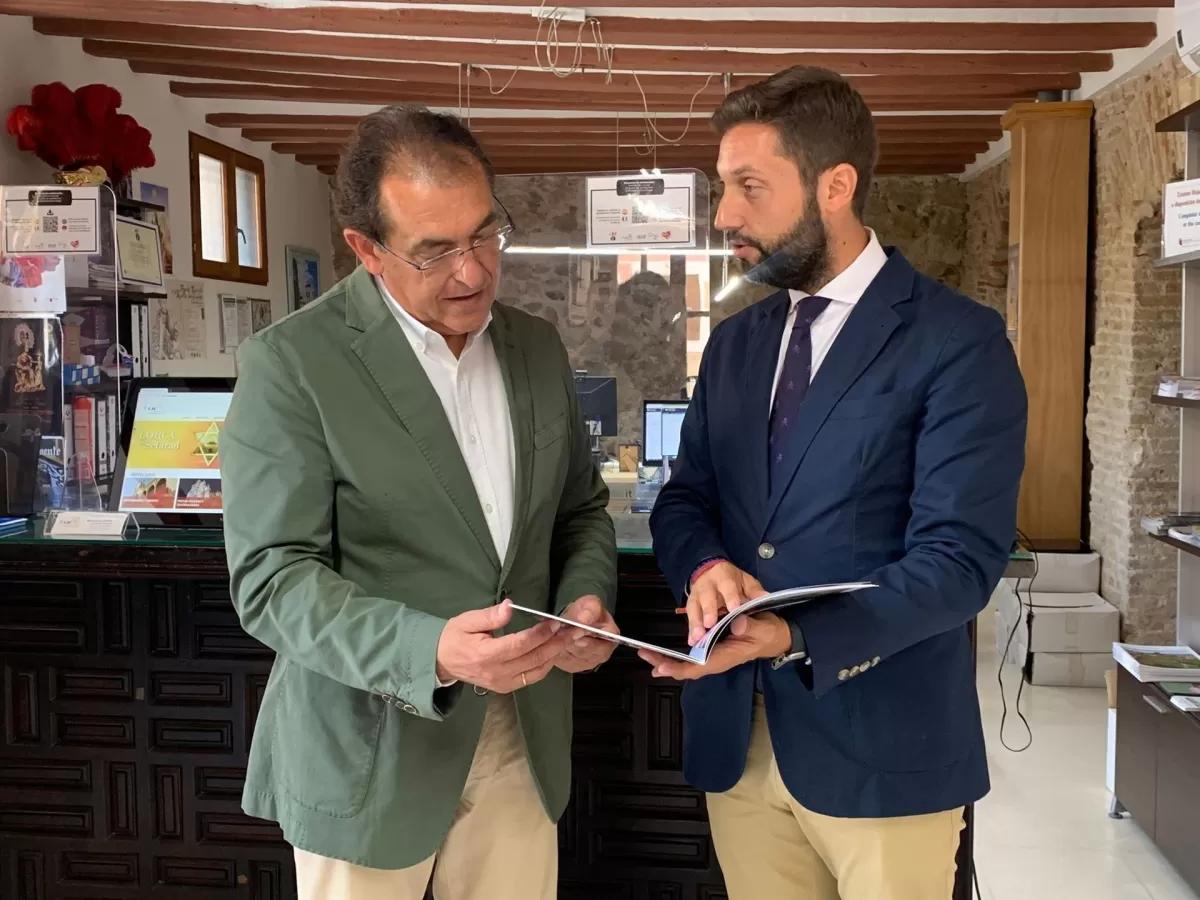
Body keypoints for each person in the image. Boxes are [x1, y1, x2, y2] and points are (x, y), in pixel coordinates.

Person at [641, 66, 1027, 900]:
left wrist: (793, 635)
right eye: (722, 186)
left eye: (750, 186)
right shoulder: (735, 345)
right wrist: (705, 566)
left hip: (886, 748)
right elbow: (685, 499)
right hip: (740, 744)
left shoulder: (958, 342)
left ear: (836, 186)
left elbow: (959, 562)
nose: (724, 214)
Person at [222, 104, 620, 900]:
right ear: (366, 249)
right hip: (368, 750)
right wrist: (430, 650)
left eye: (484, 234)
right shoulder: (292, 364)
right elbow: (272, 579)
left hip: (520, 739)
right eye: (434, 251)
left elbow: (579, 510)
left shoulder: (536, 347)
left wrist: (584, 599)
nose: (472, 273)